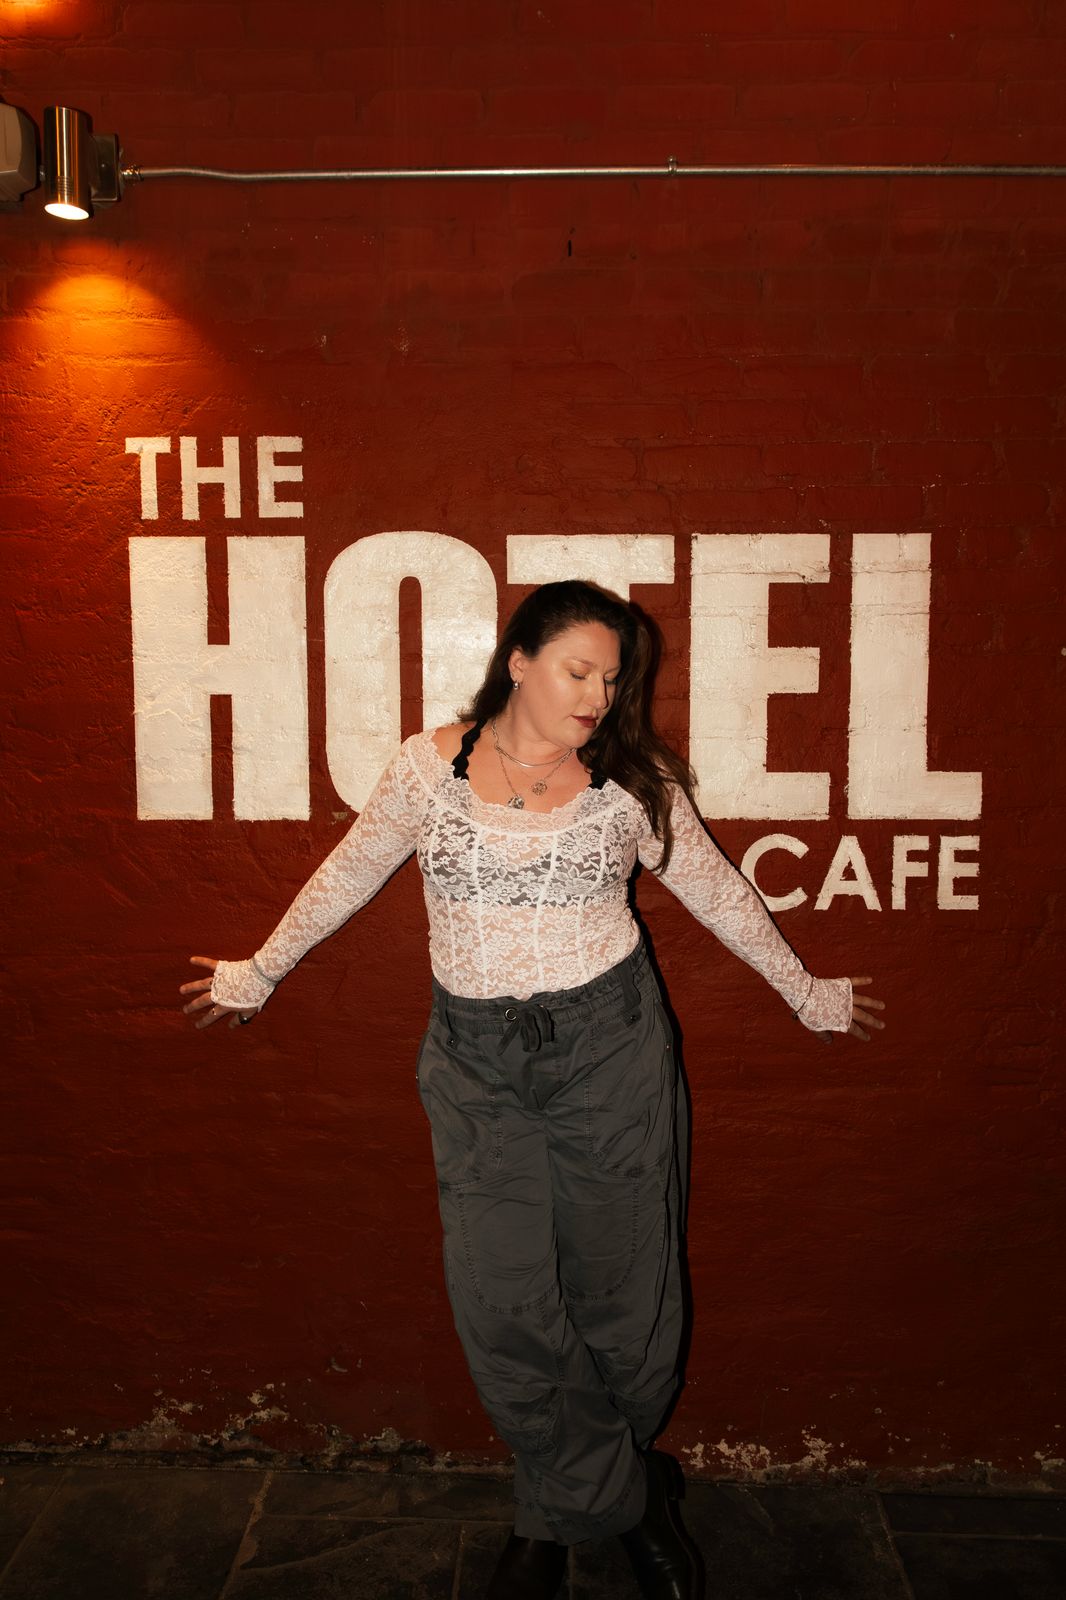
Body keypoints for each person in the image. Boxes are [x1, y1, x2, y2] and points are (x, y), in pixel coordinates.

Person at [180, 580, 884, 1600]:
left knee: (625, 1295)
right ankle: (632, 1498)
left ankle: (551, 1517)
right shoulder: (427, 770)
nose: (598, 696)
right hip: (476, 1069)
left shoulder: (630, 785)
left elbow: (718, 891)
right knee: (502, 1300)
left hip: (610, 1051)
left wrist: (807, 993)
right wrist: (260, 969)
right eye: (578, 671)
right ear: (518, 662)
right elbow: (348, 871)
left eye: (612, 678)